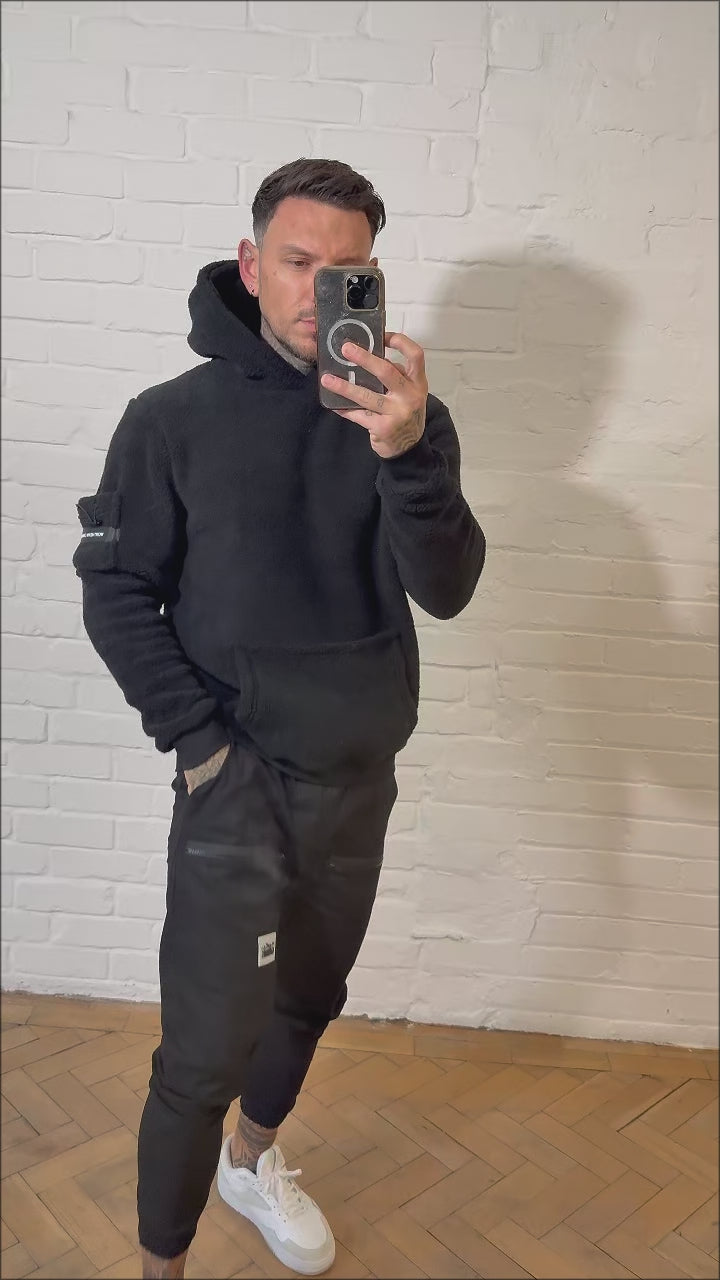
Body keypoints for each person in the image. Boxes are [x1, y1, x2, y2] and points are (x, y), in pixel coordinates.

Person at [72, 158, 486, 1279]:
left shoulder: (406, 420)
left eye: (349, 271)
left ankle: (251, 1164)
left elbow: (447, 588)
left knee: (308, 998)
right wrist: (200, 747)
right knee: (202, 1056)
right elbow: (117, 590)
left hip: (358, 777)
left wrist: (405, 452)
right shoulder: (170, 421)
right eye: (300, 262)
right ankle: (162, 1261)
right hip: (237, 782)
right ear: (252, 267)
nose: (320, 290)